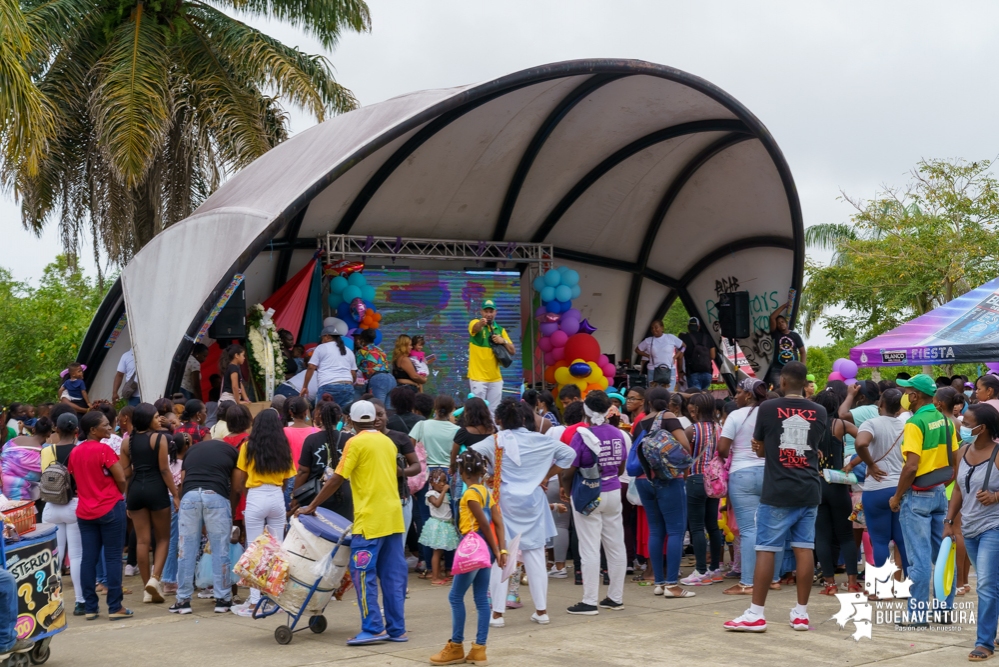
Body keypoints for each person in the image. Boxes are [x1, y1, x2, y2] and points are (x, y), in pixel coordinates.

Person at [724, 361, 824, 633]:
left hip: (778, 488)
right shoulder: (820, 411)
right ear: (806, 384)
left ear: (781, 383)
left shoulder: (767, 408)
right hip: (809, 488)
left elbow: (760, 449)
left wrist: (764, 448)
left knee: (766, 548)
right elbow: (813, 449)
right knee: (804, 547)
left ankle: (756, 613)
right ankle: (801, 614)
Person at [298, 400, 408, 645]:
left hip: (369, 521)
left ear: (351, 420)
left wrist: (312, 505)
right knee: (392, 577)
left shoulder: (355, 442)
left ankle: (373, 628)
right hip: (393, 517)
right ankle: (396, 629)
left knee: (363, 574)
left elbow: (337, 478)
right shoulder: (387, 442)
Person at [467, 398, 574, 625]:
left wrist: (488, 476)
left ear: (500, 420)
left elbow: (471, 454)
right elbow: (569, 455)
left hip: (504, 502)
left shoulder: (495, 440)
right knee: (535, 555)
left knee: (502, 556)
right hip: (534, 501)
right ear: (526, 417)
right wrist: (545, 474)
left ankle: (497, 614)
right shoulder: (541, 440)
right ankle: (542, 611)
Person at [891, 373, 959, 625]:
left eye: (908, 391)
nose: (906, 395)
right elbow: (955, 458)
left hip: (917, 496)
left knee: (917, 559)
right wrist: (945, 484)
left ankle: (917, 615)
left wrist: (897, 496)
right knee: (941, 556)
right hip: (940, 493)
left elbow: (911, 467)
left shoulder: (914, 424)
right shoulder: (946, 421)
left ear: (915, 396)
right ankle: (943, 611)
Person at [430, 450, 507, 666]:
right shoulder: (486, 491)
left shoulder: (470, 494)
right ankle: (479, 649)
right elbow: (498, 523)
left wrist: (494, 548)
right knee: (481, 599)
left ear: (462, 472)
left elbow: (483, 524)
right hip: (486, 550)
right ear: (482, 471)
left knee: (455, 597)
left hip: (473, 547)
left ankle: (456, 646)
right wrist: (501, 551)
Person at [559, 391, 629, 615]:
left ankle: (589, 601)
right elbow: (620, 467)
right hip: (613, 491)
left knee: (589, 548)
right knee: (616, 545)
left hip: (589, 494)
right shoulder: (618, 433)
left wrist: (569, 493)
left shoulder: (582, 435)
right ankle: (615, 598)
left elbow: (569, 471)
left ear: (585, 411)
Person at [943, 403, 999, 662]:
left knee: (986, 585)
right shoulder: (962, 451)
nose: (962, 427)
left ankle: (984, 643)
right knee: (993, 583)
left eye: (966, 423)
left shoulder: (998, 453)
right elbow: (957, 489)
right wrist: (949, 519)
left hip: (994, 527)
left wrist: (996, 495)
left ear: (982, 428)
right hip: (970, 527)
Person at [231, 409, 297, 616]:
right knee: (277, 551)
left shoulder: (248, 446)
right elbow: (287, 479)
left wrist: (250, 493)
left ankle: (254, 601)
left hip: (256, 496)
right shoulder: (283, 447)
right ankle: (275, 598)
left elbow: (241, 479)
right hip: (276, 496)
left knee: (253, 550)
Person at [627, 388, 692, 597]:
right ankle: (672, 585)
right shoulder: (669, 417)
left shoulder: (640, 422)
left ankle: (659, 582)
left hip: (643, 480)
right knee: (675, 531)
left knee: (656, 530)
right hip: (667, 479)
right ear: (667, 402)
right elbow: (684, 445)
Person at [68, 410, 130, 620]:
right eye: (105, 425)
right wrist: (116, 494)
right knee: (113, 557)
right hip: (110, 507)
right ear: (93, 430)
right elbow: (120, 477)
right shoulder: (103, 450)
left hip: (85, 511)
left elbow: (75, 478)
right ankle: (115, 607)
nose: (110, 427)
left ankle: (90, 607)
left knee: (88, 558)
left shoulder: (75, 452)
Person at [169, 435, 240, 615]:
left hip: (190, 497)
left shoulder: (192, 450)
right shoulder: (232, 451)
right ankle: (223, 599)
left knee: (186, 550)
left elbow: (183, 481)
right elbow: (237, 484)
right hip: (216, 495)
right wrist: (229, 507)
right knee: (220, 549)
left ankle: (183, 600)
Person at [119, 403, 180, 604]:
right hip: (156, 489)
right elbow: (164, 469)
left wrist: (128, 499)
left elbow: (126, 474)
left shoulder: (127, 443)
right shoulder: (159, 438)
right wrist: (175, 494)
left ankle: (147, 589)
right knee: (162, 539)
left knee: (142, 541)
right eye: (155, 417)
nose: (158, 420)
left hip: (136, 490)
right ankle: (155, 579)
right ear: (147, 420)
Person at [718, 379, 771, 596]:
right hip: (769, 473)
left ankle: (748, 582)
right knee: (768, 529)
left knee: (749, 530)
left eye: (738, 393)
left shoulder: (735, 416)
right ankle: (773, 579)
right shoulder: (771, 413)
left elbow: (722, 448)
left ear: (749, 395)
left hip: (742, 475)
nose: (735, 397)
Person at [811, 391, 861, 595]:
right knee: (846, 536)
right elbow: (868, 441)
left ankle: (830, 584)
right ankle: (851, 582)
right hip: (839, 484)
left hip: (817, 485)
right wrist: (852, 464)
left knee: (821, 537)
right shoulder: (841, 425)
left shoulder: (809, 427)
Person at [854, 388, 907, 575]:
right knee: (902, 540)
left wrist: (871, 464)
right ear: (900, 407)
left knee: (879, 540)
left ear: (881, 404)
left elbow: (861, 443)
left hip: (876, 488)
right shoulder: (907, 425)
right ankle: (910, 588)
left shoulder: (871, 423)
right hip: (900, 487)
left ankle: (883, 590)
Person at [40, 412, 85, 616]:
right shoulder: (80, 450)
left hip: (51, 507)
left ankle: (51, 603)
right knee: (76, 555)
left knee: (53, 558)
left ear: (56, 430)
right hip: (74, 505)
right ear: (77, 431)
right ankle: (80, 601)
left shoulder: (46, 451)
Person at [679, 393, 724, 586]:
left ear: (696, 409)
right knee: (713, 525)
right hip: (714, 481)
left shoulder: (692, 430)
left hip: (697, 479)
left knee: (697, 526)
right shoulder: (719, 428)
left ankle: (700, 570)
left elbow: (682, 456)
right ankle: (715, 568)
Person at [293, 400, 353, 519]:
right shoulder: (350, 439)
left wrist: (295, 496)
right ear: (340, 417)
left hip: (316, 495)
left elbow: (303, 472)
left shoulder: (311, 440)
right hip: (345, 494)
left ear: (320, 418)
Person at [468, 299, 514, 411]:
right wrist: (481, 323)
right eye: (486, 311)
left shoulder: (500, 330)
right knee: (478, 411)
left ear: (495, 313)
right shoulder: (474, 323)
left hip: (495, 379)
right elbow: (475, 328)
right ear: (481, 312)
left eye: (491, 311)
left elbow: (512, 351)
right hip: (478, 378)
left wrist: (503, 341)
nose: (488, 314)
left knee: (494, 413)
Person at [301, 322, 357, 407]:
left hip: (328, 386)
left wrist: (305, 386)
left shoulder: (321, 348)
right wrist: (348, 385)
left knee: (322, 416)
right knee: (344, 417)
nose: (322, 341)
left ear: (327, 336)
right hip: (348, 388)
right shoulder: (348, 351)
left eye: (322, 338)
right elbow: (353, 373)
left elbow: (311, 367)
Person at [419, 471, 460, 584]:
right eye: (439, 481)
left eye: (444, 481)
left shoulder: (444, 494)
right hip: (438, 526)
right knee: (437, 552)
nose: (442, 484)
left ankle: (438, 574)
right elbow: (437, 504)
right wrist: (444, 491)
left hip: (445, 525)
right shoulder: (431, 493)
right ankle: (434, 577)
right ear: (432, 482)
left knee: (440, 551)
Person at [1, 416, 49, 501]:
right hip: (19, 497)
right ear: (49, 434)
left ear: (34, 430)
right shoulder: (42, 455)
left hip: (2, 487)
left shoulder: (14, 440)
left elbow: (3, 455)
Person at [765, 302, 806, 389]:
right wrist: (784, 306)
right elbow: (772, 317)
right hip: (778, 369)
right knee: (779, 389)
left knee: (792, 389)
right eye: (778, 323)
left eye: (782, 322)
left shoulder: (795, 335)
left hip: (793, 368)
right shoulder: (776, 334)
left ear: (786, 323)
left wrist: (803, 367)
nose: (781, 324)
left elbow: (802, 352)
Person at [838, 380, 881, 458]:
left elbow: (842, 415)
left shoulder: (866, 410)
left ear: (862, 398)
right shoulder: (873, 409)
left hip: (855, 457)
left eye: (855, 393)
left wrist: (850, 395)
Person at [635, 320, 683, 388]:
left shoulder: (670, 338)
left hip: (669, 370)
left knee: (668, 395)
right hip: (653, 371)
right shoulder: (648, 340)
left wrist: (675, 357)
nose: (653, 330)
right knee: (653, 394)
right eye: (652, 328)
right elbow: (637, 350)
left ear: (662, 328)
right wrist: (648, 355)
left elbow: (684, 347)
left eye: (656, 327)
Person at [354, 328, 397, 403]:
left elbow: (356, 368)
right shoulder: (380, 350)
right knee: (387, 411)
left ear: (363, 340)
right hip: (391, 379)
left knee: (376, 408)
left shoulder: (362, 351)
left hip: (378, 379)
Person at [678, 317, 716, 391]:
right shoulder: (707, 338)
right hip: (707, 373)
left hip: (692, 373)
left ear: (688, 327)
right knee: (704, 397)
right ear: (698, 327)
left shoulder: (685, 338)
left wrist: (680, 371)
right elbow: (713, 356)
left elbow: (680, 356)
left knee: (696, 398)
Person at [283, 396, 318, 465]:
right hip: (311, 474)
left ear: (291, 412)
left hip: (291, 474)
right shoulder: (317, 432)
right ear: (306, 412)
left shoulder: (283, 432)